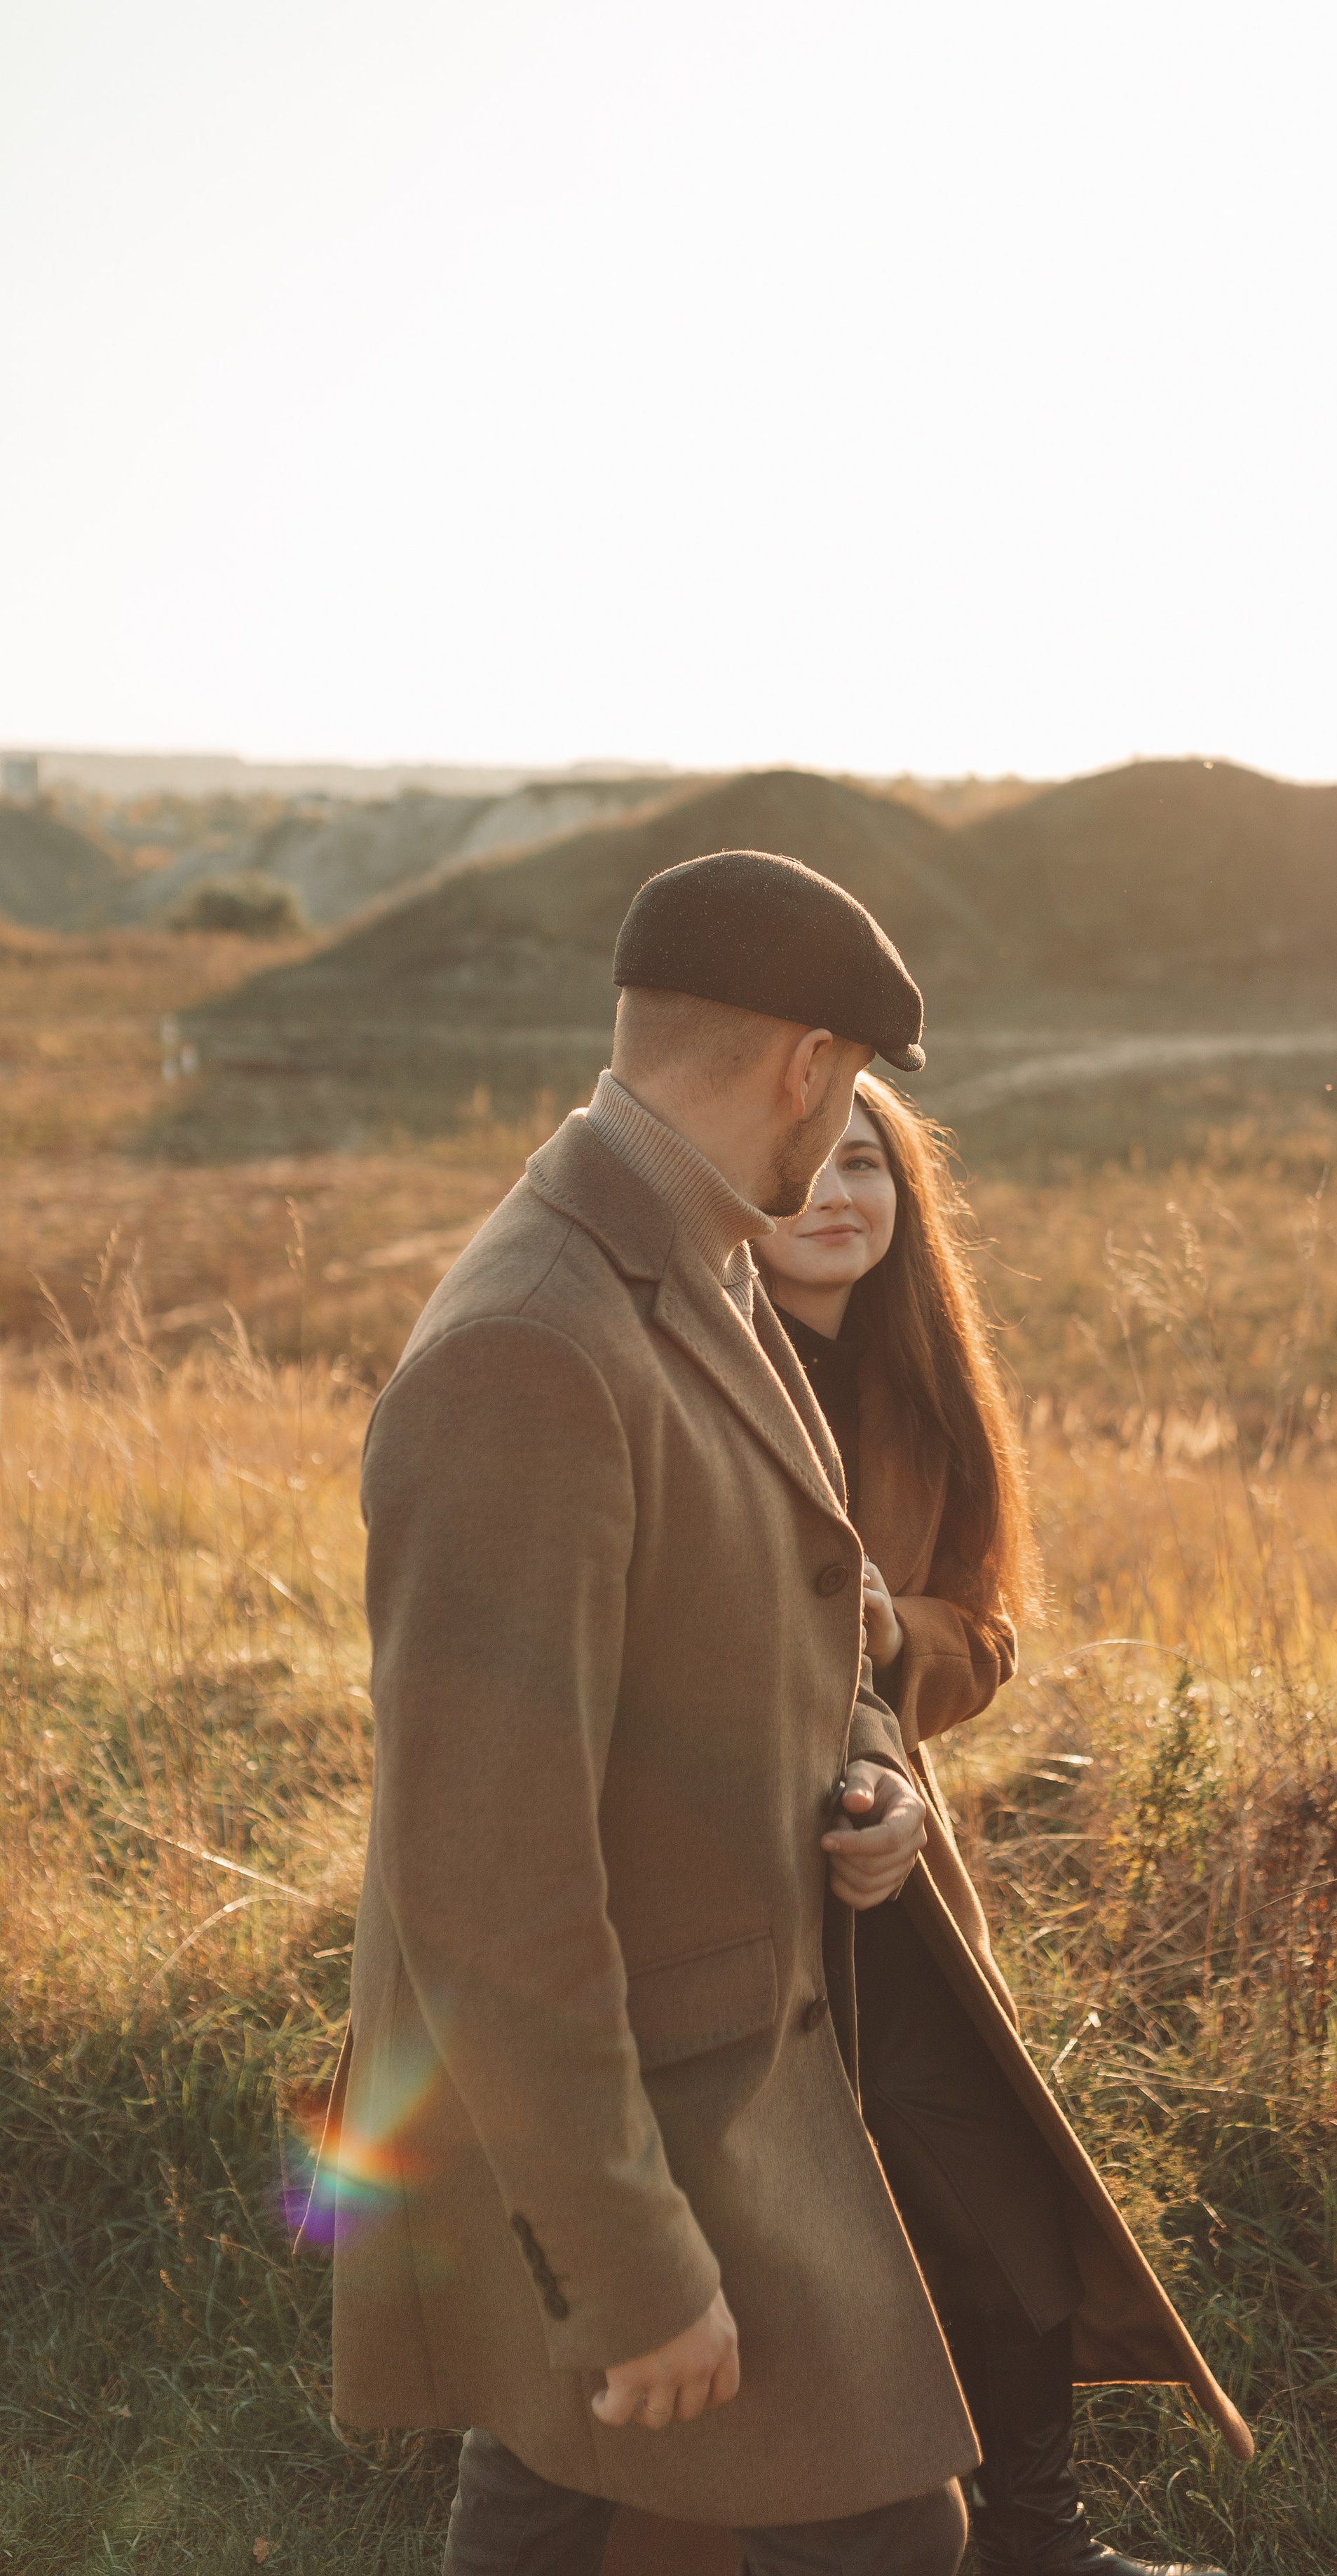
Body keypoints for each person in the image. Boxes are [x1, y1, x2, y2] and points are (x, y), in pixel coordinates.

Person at [320, 853, 975, 2576]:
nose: (836, 1131)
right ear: (802, 1060)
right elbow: (479, 1882)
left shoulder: (701, 1262)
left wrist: (872, 1769)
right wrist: (626, 2266)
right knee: (886, 2534)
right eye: (840, 1086)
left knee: (572, 2502)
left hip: (725, 2088)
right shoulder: (530, 1348)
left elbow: (794, 1624)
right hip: (642, 2129)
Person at [599, 1079, 1247, 2576]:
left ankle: (1034, 2536)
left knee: (990, 2186)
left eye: (869, 1164)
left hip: (884, 1870)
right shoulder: (680, 1365)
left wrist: (894, 1668)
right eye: (806, 1162)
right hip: (707, 1877)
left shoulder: (922, 1384)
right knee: (775, 2216)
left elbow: (986, 1625)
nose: (837, 1193)